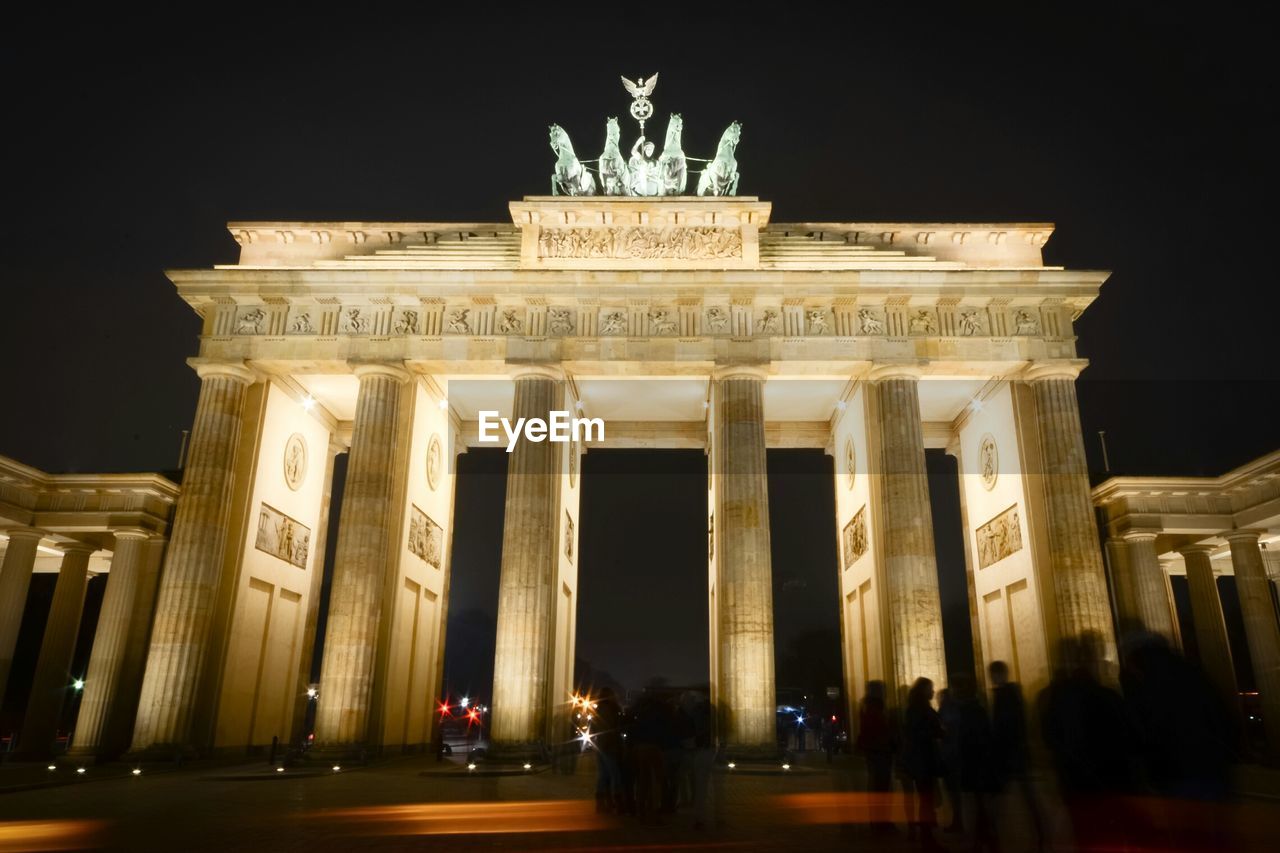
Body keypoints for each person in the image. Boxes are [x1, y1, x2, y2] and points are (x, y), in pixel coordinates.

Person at [988, 660, 1044, 851]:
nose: (993, 678)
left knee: (1003, 797)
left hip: (1010, 753)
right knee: (1024, 797)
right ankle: (1039, 833)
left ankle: (995, 836)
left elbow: (1006, 725)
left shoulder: (1006, 695)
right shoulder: (1012, 694)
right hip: (1014, 753)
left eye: (995, 674)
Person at [901, 677, 944, 850]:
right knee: (925, 799)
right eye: (930, 689)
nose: (933, 692)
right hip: (923, 760)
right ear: (923, 690)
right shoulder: (920, 709)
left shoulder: (914, 708)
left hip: (921, 760)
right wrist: (938, 732)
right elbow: (919, 733)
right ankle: (927, 837)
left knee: (925, 798)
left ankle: (926, 833)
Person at [855, 680, 895, 833]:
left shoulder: (865, 707)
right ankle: (881, 822)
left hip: (873, 751)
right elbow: (879, 730)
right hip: (880, 751)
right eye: (883, 690)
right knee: (881, 787)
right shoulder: (875, 708)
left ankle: (877, 820)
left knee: (876, 786)